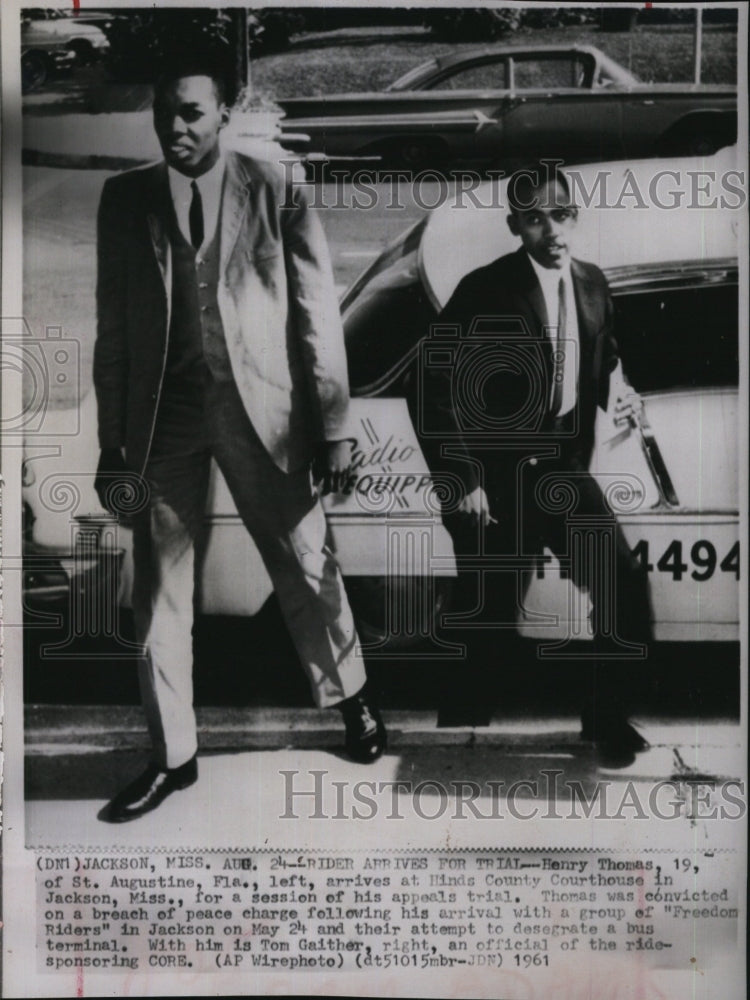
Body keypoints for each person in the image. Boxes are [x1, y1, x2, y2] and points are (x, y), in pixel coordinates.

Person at [93, 58, 385, 823]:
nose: (175, 127)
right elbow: (114, 330)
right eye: (164, 112)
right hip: (167, 418)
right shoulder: (125, 201)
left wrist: (333, 425)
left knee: (305, 562)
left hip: (268, 412)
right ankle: (172, 757)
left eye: (191, 111)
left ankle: (352, 701)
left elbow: (317, 311)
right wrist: (112, 443)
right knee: (158, 591)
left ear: (225, 113)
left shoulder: (276, 186)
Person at [420, 162, 653, 760]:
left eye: (560, 214)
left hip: (562, 471)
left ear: (576, 216)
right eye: (534, 219)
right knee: (488, 614)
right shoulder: (486, 289)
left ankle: (605, 715)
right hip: (496, 478)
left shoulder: (594, 283)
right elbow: (430, 385)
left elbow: (602, 356)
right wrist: (464, 479)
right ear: (515, 226)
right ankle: (455, 737)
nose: (551, 230)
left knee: (621, 577)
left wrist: (616, 393)